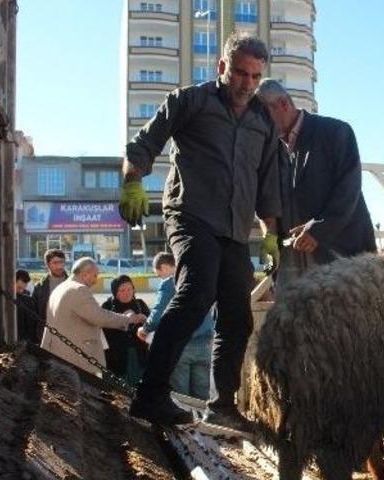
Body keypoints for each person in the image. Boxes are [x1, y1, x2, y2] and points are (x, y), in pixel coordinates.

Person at [120, 32, 281, 426]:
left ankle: (221, 406)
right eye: (241, 73)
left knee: (237, 317)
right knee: (195, 293)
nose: (247, 84)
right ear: (222, 67)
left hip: (235, 230)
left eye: (255, 77)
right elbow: (144, 146)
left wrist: (271, 235)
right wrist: (132, 182)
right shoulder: (188, 101)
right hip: (191, 215)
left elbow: (267, 183)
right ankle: (150, 396)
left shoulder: (263, 120)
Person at [255, 79, 376, 290]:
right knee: (290, 318)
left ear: (283, 104)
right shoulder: (269, 149)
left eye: (263, 115)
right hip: (290, 262)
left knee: (342, 320)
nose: (259, 123)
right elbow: (266, 200)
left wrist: (318, 229)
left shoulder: (336, 132)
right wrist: (269, 245)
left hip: (339, 256)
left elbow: (348, 189)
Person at [40, 257, 145, 376]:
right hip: (76, 356)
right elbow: (99, 316)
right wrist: (127, 319)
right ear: (85, 274)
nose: (95, 281)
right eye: (95, 276)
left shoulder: (60, 288)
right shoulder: (78, 289)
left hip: (61, 352)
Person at [137, 252, 215, 399]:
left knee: (181, 394)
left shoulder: (169, 283)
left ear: (165, 267)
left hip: (182, 345)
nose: (160, 277)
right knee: (202, 394)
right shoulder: (201, 280)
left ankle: (187, 421)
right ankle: (203, 420)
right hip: (205, 344)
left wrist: (145, 329)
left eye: (159, 273)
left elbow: (159, 312)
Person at [101, 275, 151, 386]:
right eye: (122, 290)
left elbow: (152, 327)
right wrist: (124, 319)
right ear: (115, 292)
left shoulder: (140, 304)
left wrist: (145, 320)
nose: (127, 293)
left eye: (129, 289)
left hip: (139, 355)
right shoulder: (108, 306)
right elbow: (103, 330)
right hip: (116, 357)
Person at [32, 249, 68, 321]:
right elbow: (34, 314)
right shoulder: (39, 287)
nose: (59, 266)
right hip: (47, 329)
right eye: (55, 263)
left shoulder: (74, 285)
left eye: (61, 262)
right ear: (47, 264)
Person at [15, 269, 41, 344]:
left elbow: (32, 323)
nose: (21, 291)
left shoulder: (28, 301)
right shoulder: (3, 300)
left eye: (23, 288)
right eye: (19, 288)